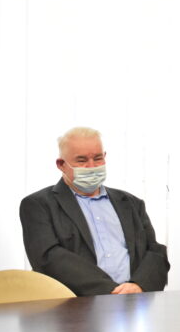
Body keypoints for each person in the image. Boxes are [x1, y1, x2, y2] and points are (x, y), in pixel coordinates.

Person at [20, 127, 170, 296]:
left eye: (98, 158)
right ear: (61, 164)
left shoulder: (131, 203)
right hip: (75, 306)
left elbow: (154, 251)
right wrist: (112, 291)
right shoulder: (38, 205)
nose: (91, 166)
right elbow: (48, 258)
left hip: (134, 301)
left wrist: (139, 285)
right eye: (81, 160)